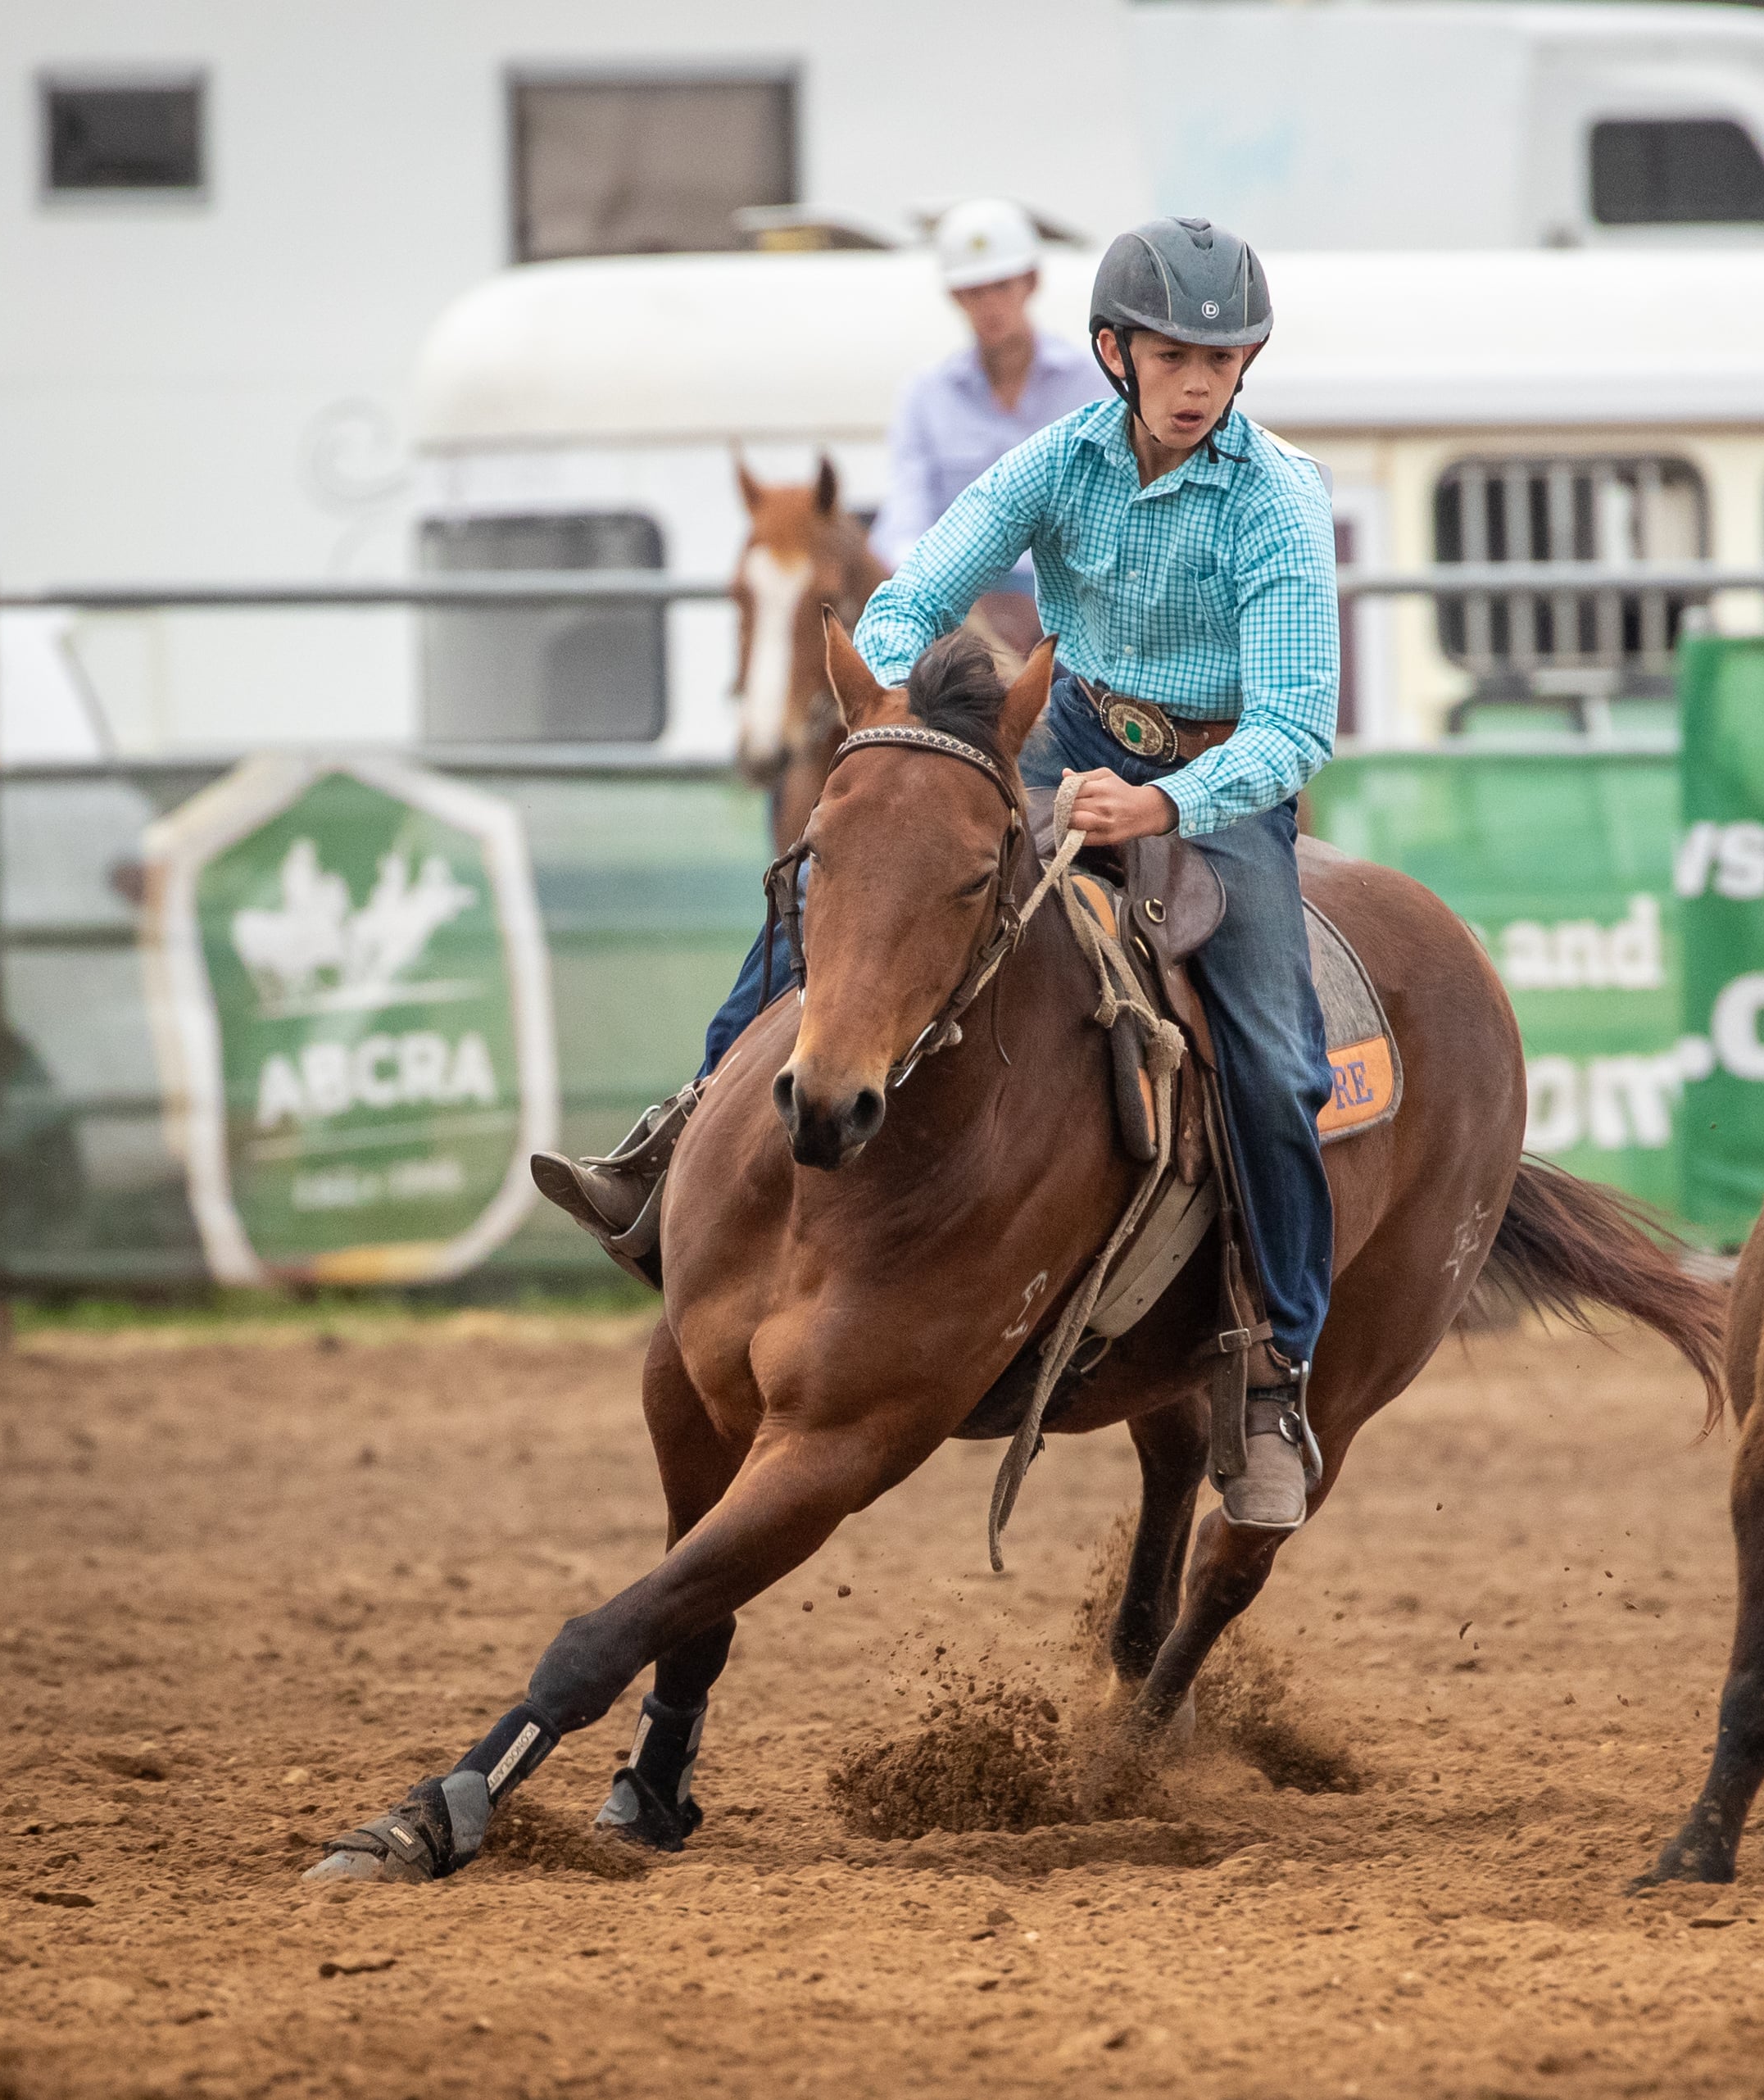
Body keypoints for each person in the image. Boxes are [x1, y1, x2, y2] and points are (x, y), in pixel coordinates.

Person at [533, 218, 1340, 1535]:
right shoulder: (1058, 462)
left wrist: (1161, 799)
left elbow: (1296, 725)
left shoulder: (1279, 498)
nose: (1197, 381)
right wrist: (909, 713)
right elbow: (911, 596)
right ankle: (679, 1141)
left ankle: (1271, 1372)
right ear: (1116, 352)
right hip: (1066, 729)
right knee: (857, 870)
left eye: (1221, 357)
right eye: (1172, 356)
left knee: (1278, 1056)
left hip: (1219, 775)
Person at [871, 198, 1106, 652]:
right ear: (955, 297)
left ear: (1031, 282)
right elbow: (903, 517)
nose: (990, 304)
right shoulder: (925, 396)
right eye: (974, 291)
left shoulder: (1093, 385)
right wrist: (934, 593)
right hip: (960, 615)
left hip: (1076, 613)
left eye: (1001, 285)